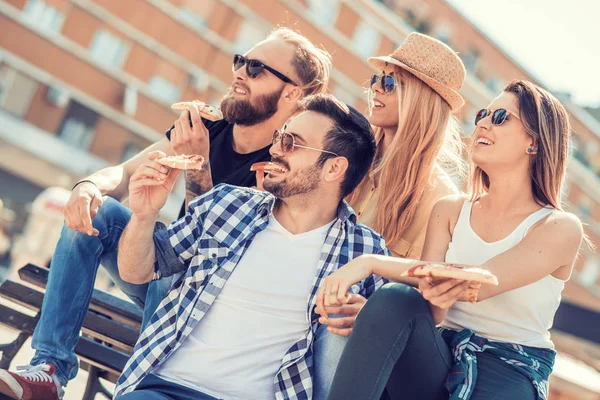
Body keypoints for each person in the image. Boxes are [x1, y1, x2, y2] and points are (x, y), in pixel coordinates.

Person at [0, 27, 332, 400]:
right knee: (102, 214)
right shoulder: (206, 126)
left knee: (173, 261)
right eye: (240, 61)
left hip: (213, 303)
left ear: (292, 93)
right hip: (155, 276)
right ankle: (49, 369)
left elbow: (218, 249)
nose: (239, 72)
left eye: (256, 68)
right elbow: (123, 174)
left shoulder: (285, 162)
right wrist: (88, 187)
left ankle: (148, 385)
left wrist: (197, 165)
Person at [320, 80, 585, 400]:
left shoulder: (558, 227)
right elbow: (431, 307)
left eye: (500, 117)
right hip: (440, 353)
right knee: (395, 299)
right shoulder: (448, 210)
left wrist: (369, 262)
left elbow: (479, 283)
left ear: (534, 141)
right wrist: (379, 318)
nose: (484, 122)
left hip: (508, 369)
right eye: (483, 114)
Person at [113, 94, 388, 399]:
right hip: (165, 389)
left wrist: (371, 319)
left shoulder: (363, 250)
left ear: (334, 168)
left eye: (291, 143)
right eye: (278, 137)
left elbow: (391, 344)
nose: (274, 149)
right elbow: (136, 271)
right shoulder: (228, 203)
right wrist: (143, 215)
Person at [312, 32, 467, 398]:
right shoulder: (353, 157)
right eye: (375, 81)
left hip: (359, 342)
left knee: (334, 332)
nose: (375, 90)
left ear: (420, 101)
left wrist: (371, 315)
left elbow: (428, 306)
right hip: (310, 299)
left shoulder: (440, 197)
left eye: (389, 83)